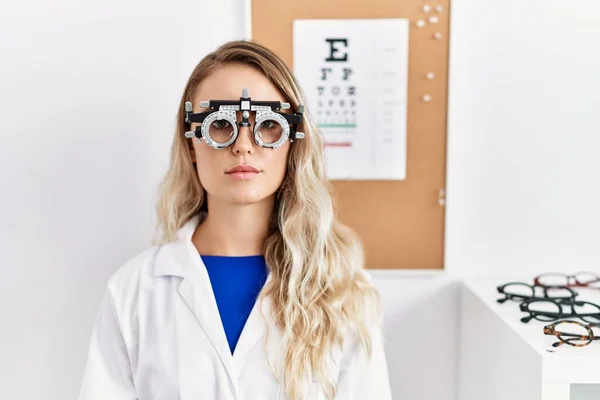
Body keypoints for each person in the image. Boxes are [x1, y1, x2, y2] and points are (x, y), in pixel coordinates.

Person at [78, 40, 392, 400]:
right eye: (220, 126)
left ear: (293, 143)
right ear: (191, 144)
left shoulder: (342, 288)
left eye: (268, 125)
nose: (243, 144)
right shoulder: (134, 290)